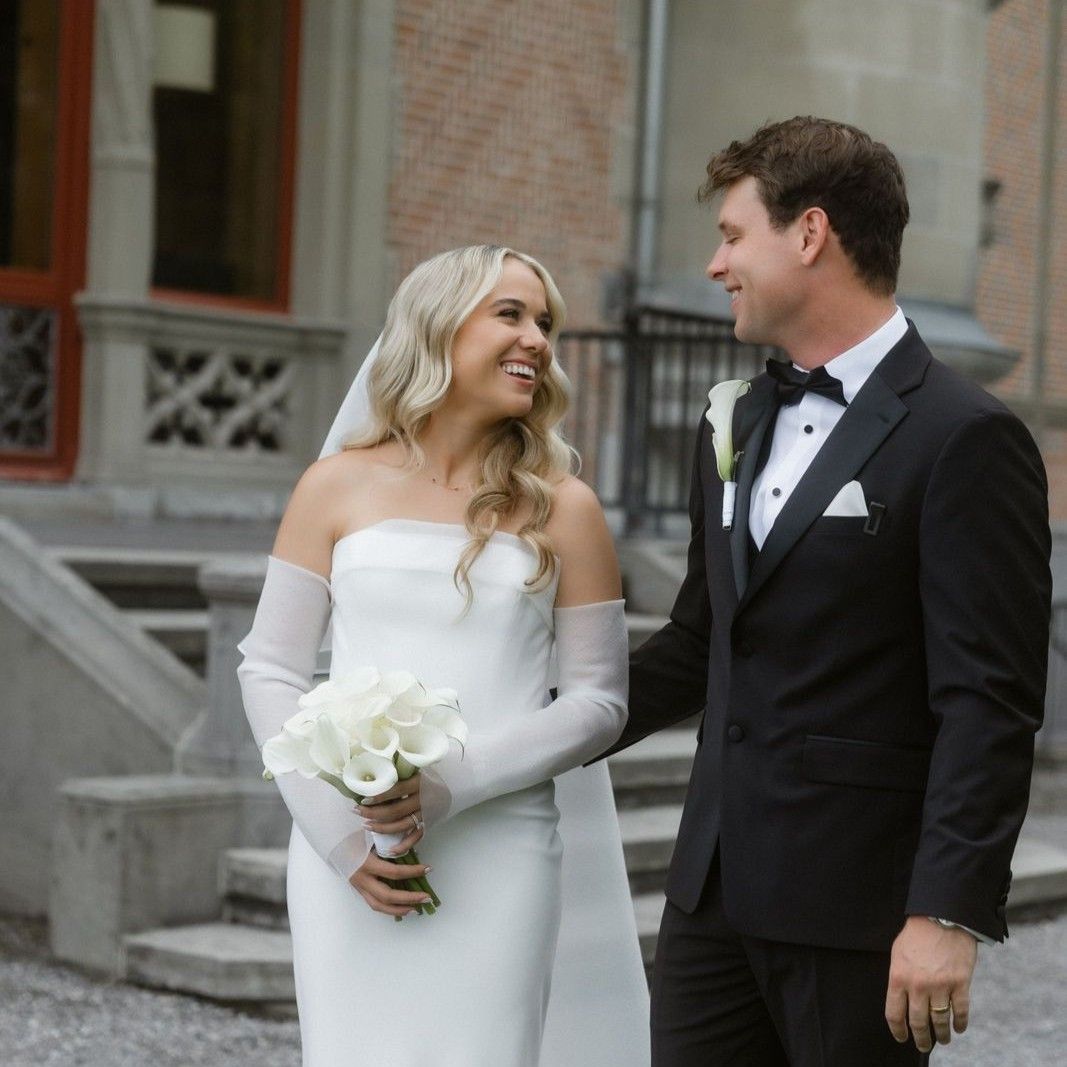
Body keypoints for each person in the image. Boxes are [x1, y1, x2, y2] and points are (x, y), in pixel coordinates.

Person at [610, 117, 1052, 1065]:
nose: (714, 263)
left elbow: (988, 701)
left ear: (808, 234)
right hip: (709, 898)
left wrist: (946, 910)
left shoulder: (964, 436)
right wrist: (533, 722)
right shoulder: (732, 417)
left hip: (858, 913)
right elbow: (701, 637)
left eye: (732, 235)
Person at [237, 245, 649, 1066]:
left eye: (545, 322)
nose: (536, 337)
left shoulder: (565, 508)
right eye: (510, 314)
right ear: (438, 325)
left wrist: (452, 783)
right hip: (348, 853)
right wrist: (340, 842)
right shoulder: (334, 485)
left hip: (501, 850)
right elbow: (270, 666)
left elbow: (600, 700)